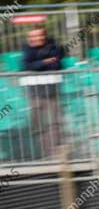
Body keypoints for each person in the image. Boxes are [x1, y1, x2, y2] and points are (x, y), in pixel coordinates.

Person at [22, 27, 64, 159]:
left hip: (51, 92)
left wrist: (38, 64)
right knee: (36, 124)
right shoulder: (28, 49)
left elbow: (56, 66)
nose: (33, 39)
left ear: (44, 36)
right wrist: (44, 62)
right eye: (31, 37)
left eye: (36, 36)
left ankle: (54, 154)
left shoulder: (54, 48)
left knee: (54, 124)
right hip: (35, 94)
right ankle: (42, 152)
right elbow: (27, 66)